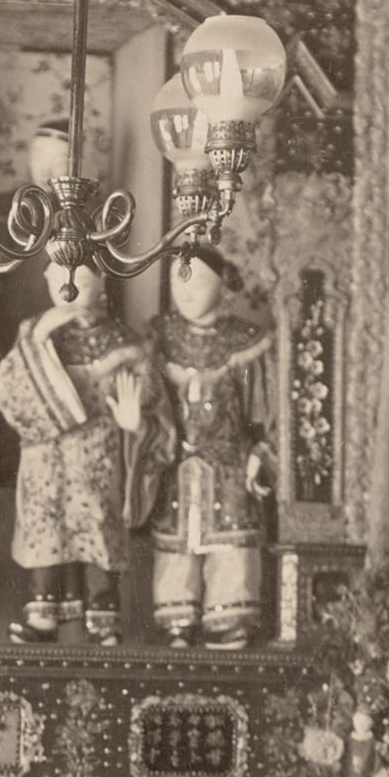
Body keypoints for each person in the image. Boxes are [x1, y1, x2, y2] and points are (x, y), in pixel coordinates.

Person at [0, 255, 156, 644]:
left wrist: (136, 424)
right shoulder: (35, 332)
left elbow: (149, 399)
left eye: (81, 278)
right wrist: (35, 341)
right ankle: (43, 615)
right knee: (46, 526)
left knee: (98, 527)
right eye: (59, 276)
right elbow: (8, 390)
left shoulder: (124, 342)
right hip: (45, 458)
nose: (68, 287)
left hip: (97, 455)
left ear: (102, 283)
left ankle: (103, 617)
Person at [145, 242, 276, 648]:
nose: (186, 291)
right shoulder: (158, 338)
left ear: (222, 287)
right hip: (176, 461)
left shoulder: (246, 343)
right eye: (177, 280)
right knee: (176, 542)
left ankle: (229, 617)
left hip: (230, 461)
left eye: (198, 281)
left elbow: (262, 412)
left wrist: (261, 451)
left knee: (231, 540)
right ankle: (177, 617)